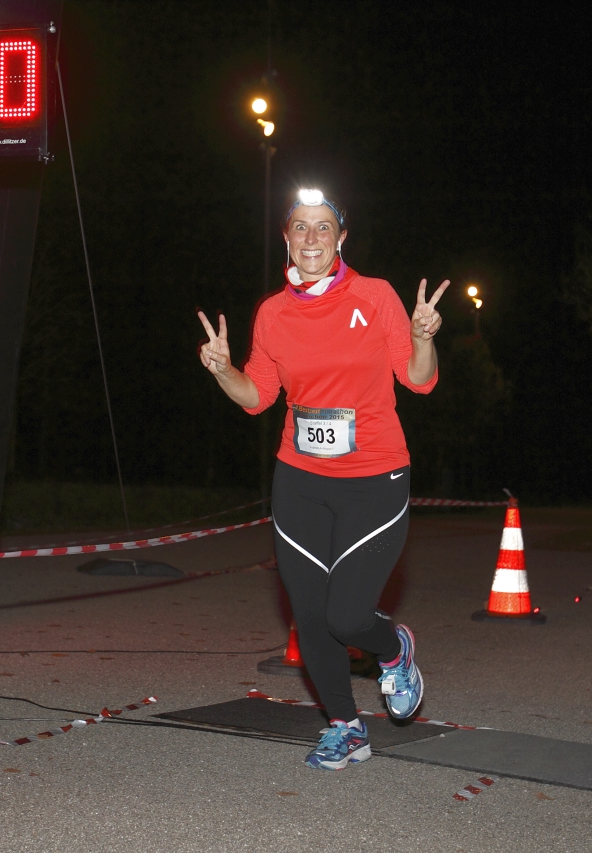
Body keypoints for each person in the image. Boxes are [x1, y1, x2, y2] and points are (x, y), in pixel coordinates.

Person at [197, 188, 447, 770]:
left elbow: (419, 380)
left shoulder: (374, 296)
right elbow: (257, 397)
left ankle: (395, 649)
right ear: (287, 238)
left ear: (341, 238)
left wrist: (423, 338)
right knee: (309, 614)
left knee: (346, 616)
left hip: (374, 478)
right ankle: (345, 727)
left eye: (323, 227)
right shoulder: (272, 313)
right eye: (301, 227)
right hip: (300, 480)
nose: (311, 238)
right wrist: (223, 370)